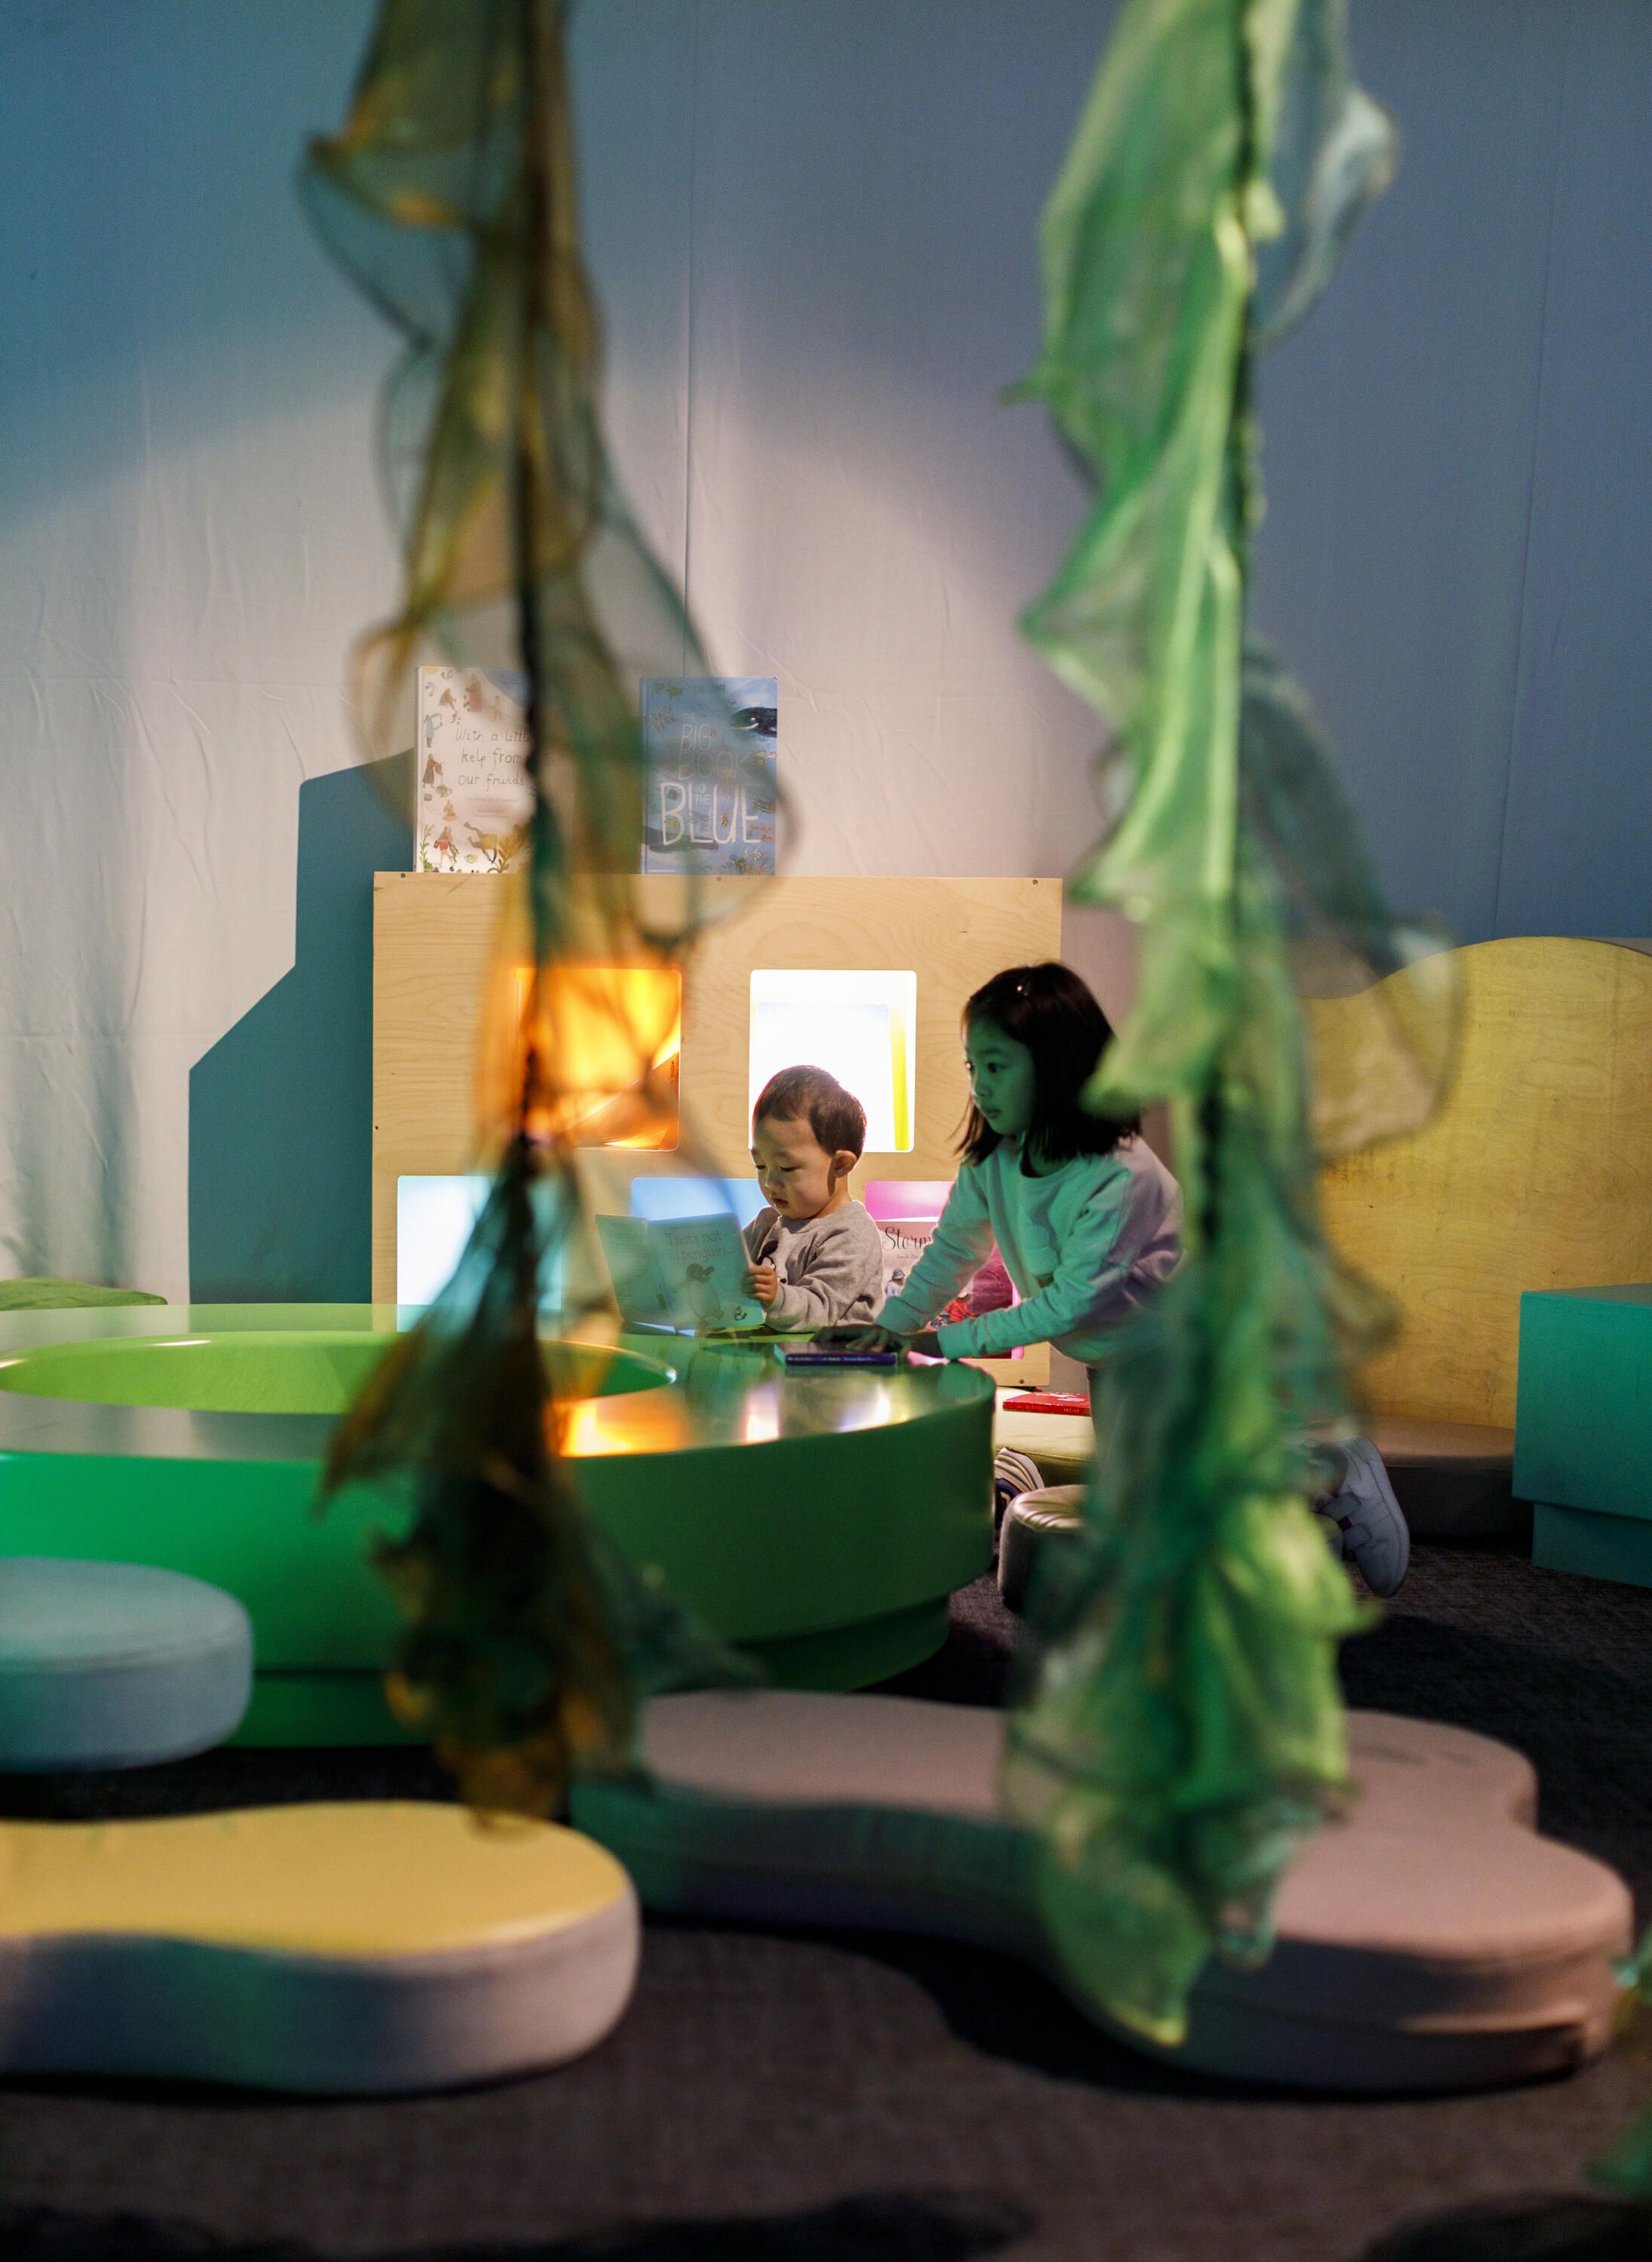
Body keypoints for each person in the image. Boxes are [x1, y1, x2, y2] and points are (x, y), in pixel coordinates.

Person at [821, 961, 1410, 1597]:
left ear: (1057, 1068)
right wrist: (890, 1326)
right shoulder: (994, 1161)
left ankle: (1335, 1472)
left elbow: (1069, 1304)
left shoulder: (1118, 1175)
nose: (979, 1086)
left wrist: (941, 1342)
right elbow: (949, 1255)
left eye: (996, 1067)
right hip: (1115, 1360)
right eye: (972, 1067)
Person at [743, 1065, 885, 1328]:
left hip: (830, 1362)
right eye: (760, 1165)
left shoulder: (851, 1233)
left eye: (787, 1168)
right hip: (773, 1359)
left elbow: (821, 1308)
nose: (769, 1181)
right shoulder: (766, 1223)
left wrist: (777, 1298)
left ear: (840, 1165)